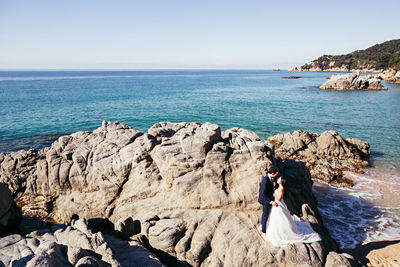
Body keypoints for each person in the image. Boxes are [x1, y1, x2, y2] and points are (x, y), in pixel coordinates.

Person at [264, 176, 322, 247]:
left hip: (278, 204)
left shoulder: (281, 188)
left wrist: (273, 194)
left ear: (281, 181)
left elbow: (279, 198)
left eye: (280, 179)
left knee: (281, 217)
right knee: (276, 218)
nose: (278, 179)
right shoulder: (278, 186)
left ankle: (283, 231)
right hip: (277, 204)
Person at [258, 167, 279, 237]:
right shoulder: (265, 180)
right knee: (265, 215)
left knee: (266, 214)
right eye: (276, 174)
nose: (276, 175)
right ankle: (263, 232)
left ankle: (262, 226)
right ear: (272, 173)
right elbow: (263, 193)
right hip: (265, 200)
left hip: (268, 199)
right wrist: (271, 201)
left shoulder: (269, 178)